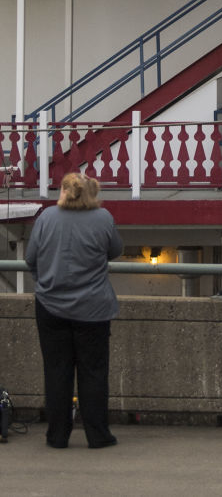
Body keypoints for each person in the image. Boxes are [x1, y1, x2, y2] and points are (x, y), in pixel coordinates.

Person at [25, 170, 122, 450]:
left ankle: (57, 436)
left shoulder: (46, 218)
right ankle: (98, 434)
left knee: (56, 372)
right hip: (93, 309)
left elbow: (32, 258)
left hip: (50, 306)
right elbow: (114, 249)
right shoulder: (103, 218)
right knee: (93, 372)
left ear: (64, 192)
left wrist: (45, 282)